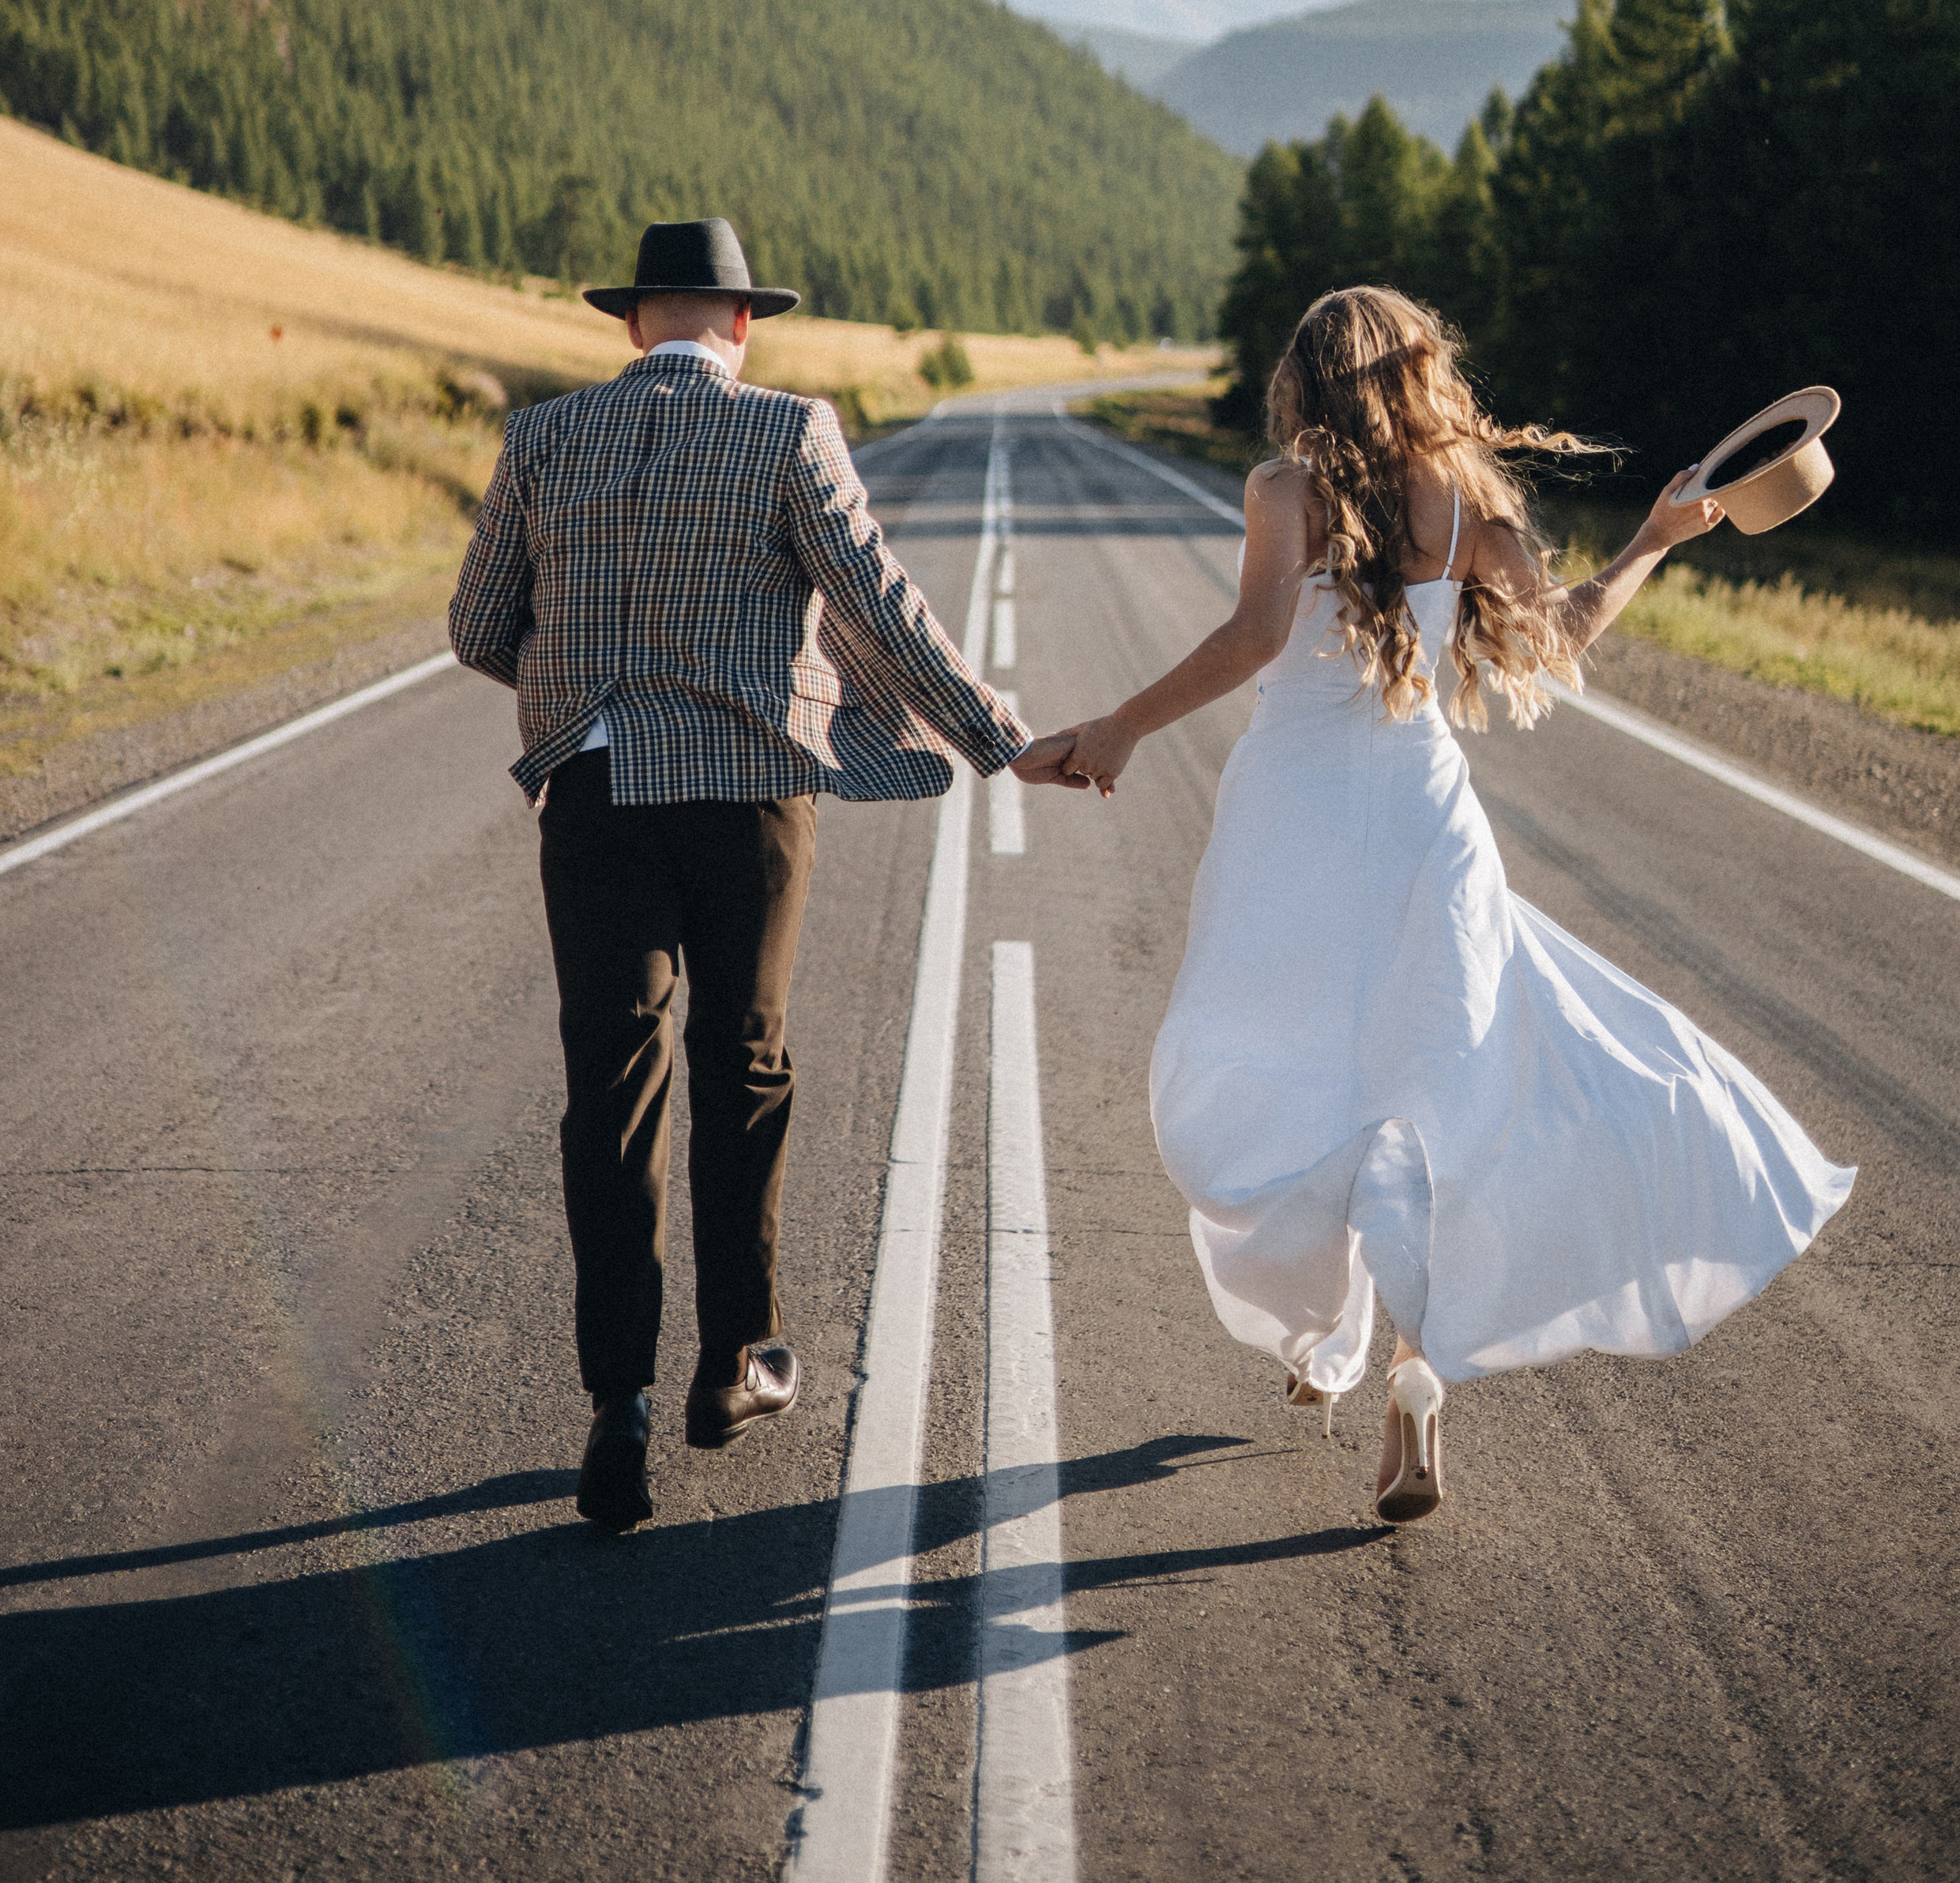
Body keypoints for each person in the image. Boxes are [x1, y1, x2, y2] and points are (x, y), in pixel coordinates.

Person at [1063, 284, 1854, 1523]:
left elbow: (1255, 637)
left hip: (1294, 816)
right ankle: (1412, 1370)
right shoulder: (1469, 496)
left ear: (1308, 382)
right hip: (1424, 818)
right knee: (1431, 1089)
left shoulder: (1285, 492)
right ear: (1417, 374)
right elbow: (1560, 633)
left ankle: (1320, 1329)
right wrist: (1653, 539)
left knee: (1274, 1069)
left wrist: (1119, 726)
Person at [450, 217, 1083, 1531]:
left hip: (596, 793)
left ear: (636, 323)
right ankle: (734, 1364)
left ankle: (615, 1401)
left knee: (612, 1083)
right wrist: (995, 739)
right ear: (743, 324)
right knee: (746, 1066)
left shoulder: (543, 439)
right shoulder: (790, 431)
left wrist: (577, 696)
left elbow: (474, 626)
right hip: (749, 800)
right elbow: (879, 599)